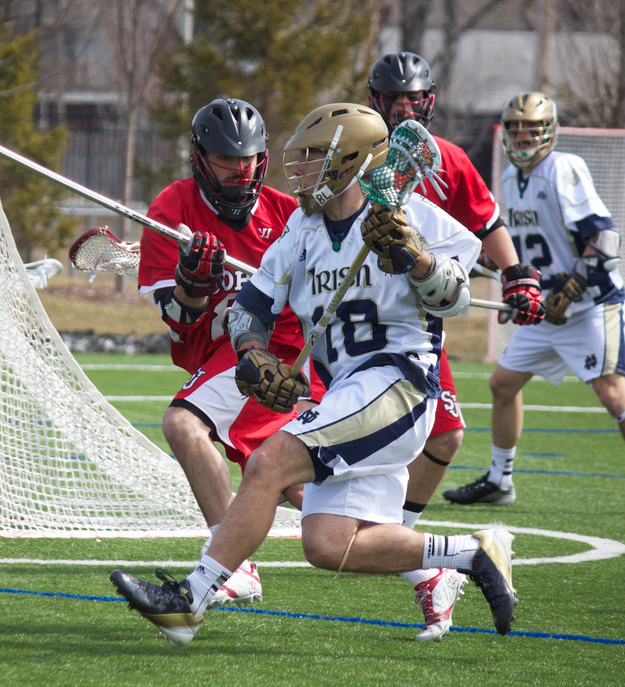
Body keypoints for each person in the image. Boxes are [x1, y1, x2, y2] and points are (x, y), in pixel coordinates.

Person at [111, 103, 517, 647]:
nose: (299, 171)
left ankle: (190, 600)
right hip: (348, 389)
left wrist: (415, 257)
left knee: (270, 461)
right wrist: (253, 354)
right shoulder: (302, 229)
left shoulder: (410, 214)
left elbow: (456, 299)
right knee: (328, 544)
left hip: (399, 383)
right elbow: (250, 308)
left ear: (352, 161)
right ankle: (471, 553)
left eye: (313, 158)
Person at [366, 51, 544, 640]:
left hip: (414, 325)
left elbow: (487, 222)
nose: (402, 109)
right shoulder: (355, 151)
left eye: (411, 99)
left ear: (429, 101)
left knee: (445, 434)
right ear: (374, 101)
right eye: (392, 99)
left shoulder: (446, 160)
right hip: (350, 323)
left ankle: (402, 541)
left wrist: (516, 276)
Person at [443, 92, 625, 518]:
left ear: (549, 131)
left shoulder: (563, 168)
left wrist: (569, 291)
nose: (522, 136)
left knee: (610, 392)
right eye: (515, 129)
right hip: (546, 308)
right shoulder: (511, 179)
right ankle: (500, 480)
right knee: (502, 385)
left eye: (531, 128)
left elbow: (605, 240)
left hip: (589, 304)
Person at [137, 97, 320, 607]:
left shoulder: (288, 214)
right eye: (226, 159)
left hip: (277, 350)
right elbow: (178, 319)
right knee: (300, 487)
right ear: (200, 158)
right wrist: (192, 285)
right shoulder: (172, 210)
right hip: (222, 351)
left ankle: (231, 567)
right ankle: (436, 565)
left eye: (249, 158)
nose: (240, 170)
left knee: (184, 424)